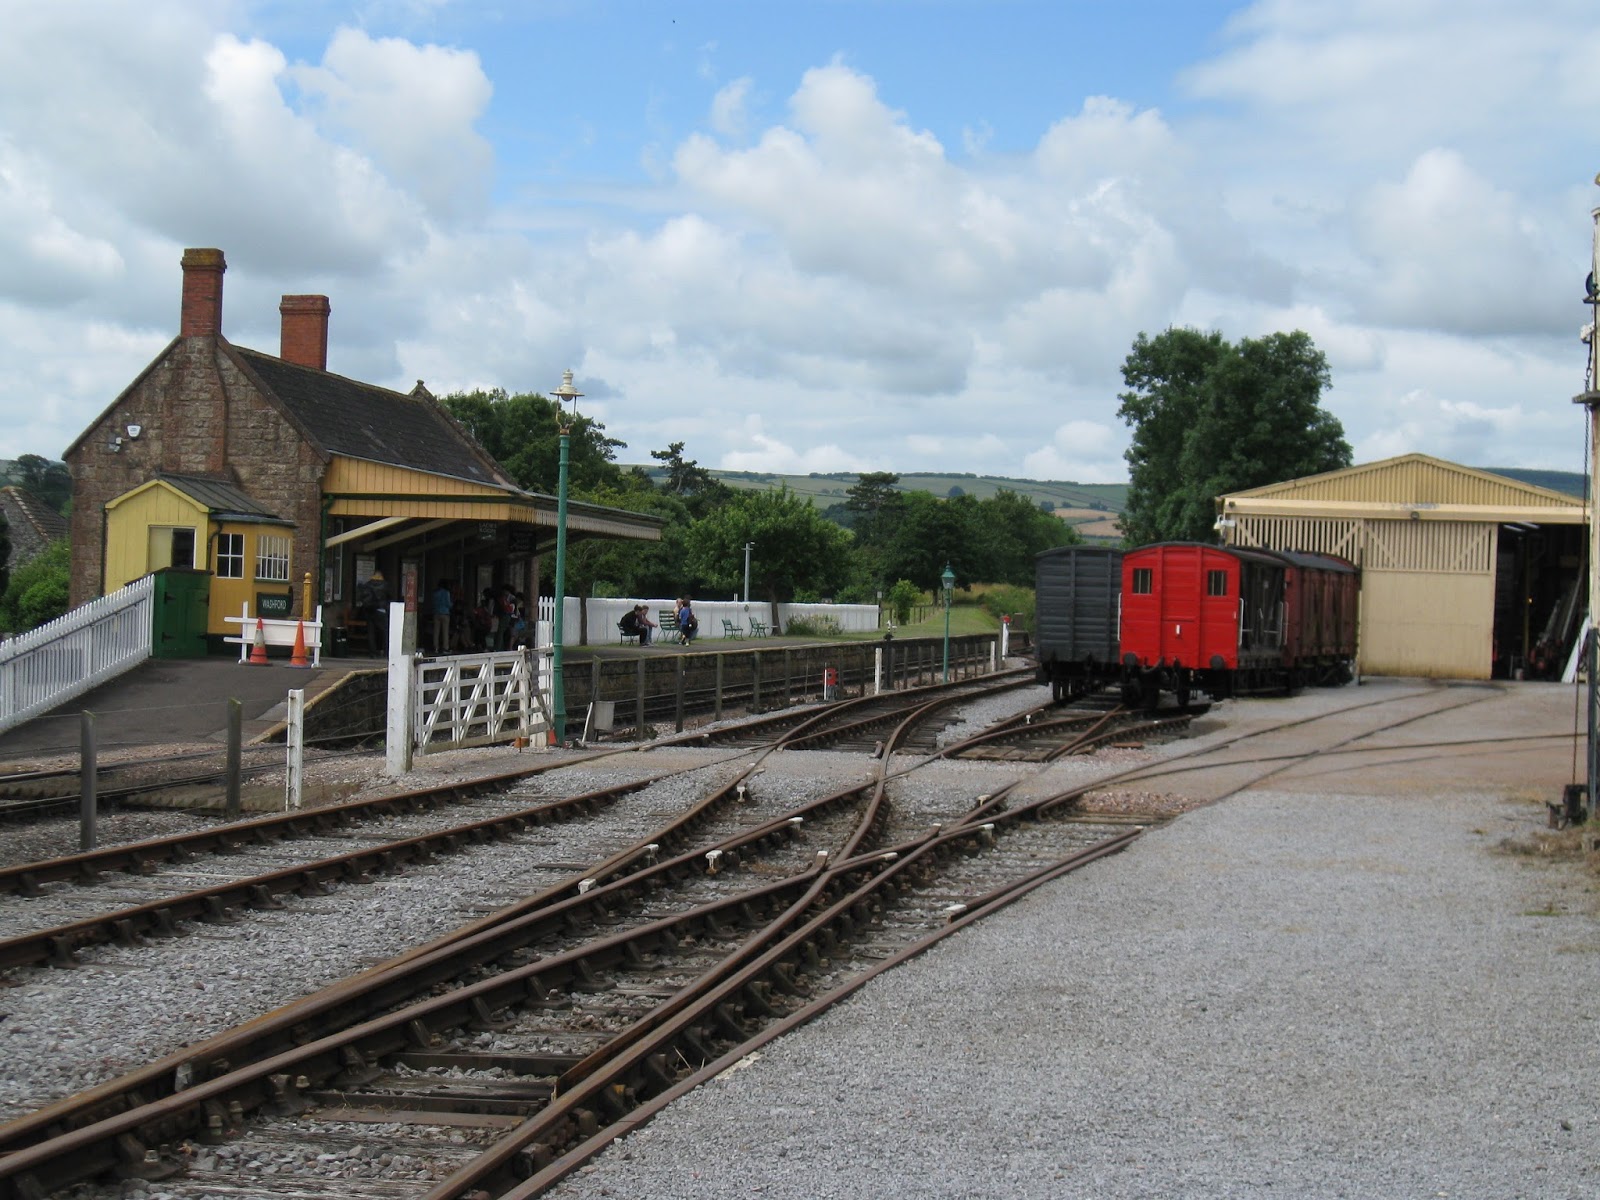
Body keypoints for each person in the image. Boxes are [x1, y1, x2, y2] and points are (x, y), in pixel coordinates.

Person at [358, 570, 389, 655]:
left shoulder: (368, 585)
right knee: (384, 632)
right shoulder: (385, 585)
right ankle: (386, 651)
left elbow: (362, 596)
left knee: (371, 632)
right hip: (381, 610)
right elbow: (389, 596)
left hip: (369, 610)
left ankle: (372, 652)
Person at [430, 579, 452, 656]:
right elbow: (448, 604)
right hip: (445, 613)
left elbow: (433, 603)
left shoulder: (435, 593)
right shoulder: (446, 593)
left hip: (436, 613)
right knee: (445, 632)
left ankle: (436, 647)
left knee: (436, 631)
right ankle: (445, 648)